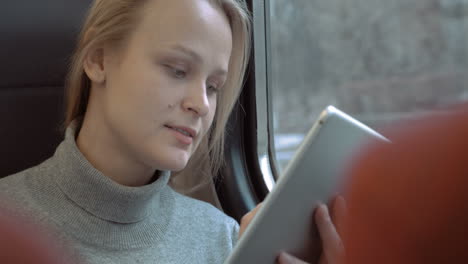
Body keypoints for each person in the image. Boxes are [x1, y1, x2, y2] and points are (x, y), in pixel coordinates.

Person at [0, 0, 343, 263]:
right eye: (178, 70)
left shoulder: (224, 241)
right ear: (99, 60)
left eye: (213, 86)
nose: (202, 105)